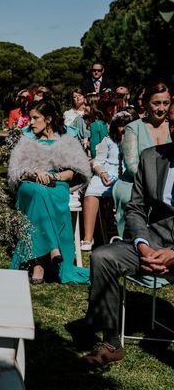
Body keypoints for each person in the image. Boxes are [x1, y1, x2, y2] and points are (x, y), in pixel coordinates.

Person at [78, 139, 174, 368]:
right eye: (173, 120)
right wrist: (143, 245)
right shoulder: (151, 157)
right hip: (152, 241)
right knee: (103, 257)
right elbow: (136, 208)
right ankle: (111, 343)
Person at [8, 98, 91, 284]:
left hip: (56, 184)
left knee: (43, 194)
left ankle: (38, 263)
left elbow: (73, 172)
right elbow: (16, 171)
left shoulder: (67, 140)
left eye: (35, 118)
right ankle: (53, 249)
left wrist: (53, 177)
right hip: (29, 184)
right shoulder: (26, 139)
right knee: (37, 192)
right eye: (30, 118)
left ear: (49, 119)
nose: (30, 122)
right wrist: (35, 173)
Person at [113, 83, 171, 237]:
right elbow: (132, 166)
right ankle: (131, 240)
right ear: (145, 103)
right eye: (156, 103)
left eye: (166, 103)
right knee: (129, 198)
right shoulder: (134, 127)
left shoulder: (173, 127)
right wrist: (154, 186)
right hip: (135, 182)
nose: (161, 108)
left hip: (167, 182)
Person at [80, 111, 135, 251]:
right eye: (120, 125)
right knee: (91, 191)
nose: (123, 129)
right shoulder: (108, 140)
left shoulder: (135, 140)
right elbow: (98, 162)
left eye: (126, 125)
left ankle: (127, 233)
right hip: (107, 171)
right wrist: (102, 172)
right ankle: (88, 238)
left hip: (127, 173)